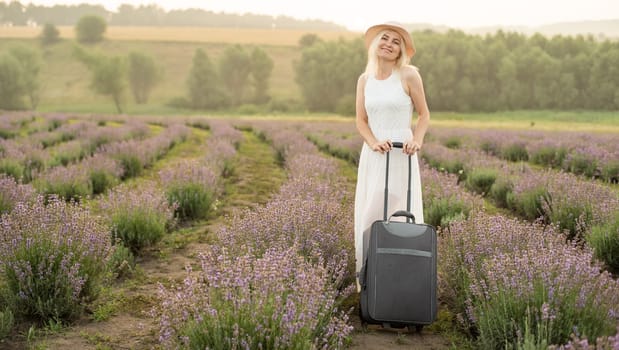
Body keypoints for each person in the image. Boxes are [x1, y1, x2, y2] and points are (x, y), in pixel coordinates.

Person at [354, 21, 430, 290]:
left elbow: (424, 115)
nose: (389, 44)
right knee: (370, 213)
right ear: (375, 44)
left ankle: (402, 277)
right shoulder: (365, 80)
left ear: (401, 51)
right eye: (384, 39)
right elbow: (361, 121)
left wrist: (417, 140)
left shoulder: (408, 75)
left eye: (396, 42)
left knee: (400, 212)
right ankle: (369, 277)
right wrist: (373, 142)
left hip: (402, 152)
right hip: (375, 153)